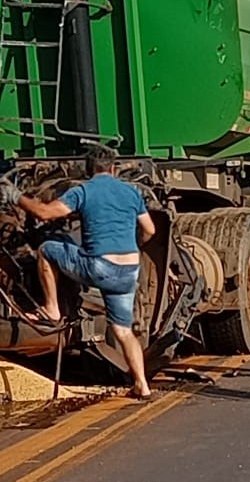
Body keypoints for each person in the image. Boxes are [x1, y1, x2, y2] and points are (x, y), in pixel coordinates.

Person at [0, 147, 156, 400]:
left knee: (48, 249)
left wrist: (15, 196)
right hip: (128, 271)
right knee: (124, 331)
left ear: (87, 170)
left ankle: (52, 308)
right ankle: (142, 385)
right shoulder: (131, 192)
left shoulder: (84, 191)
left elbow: (45, 213)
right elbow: (150, 230)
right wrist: (132, 245)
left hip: (99, 267)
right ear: (113, 169)